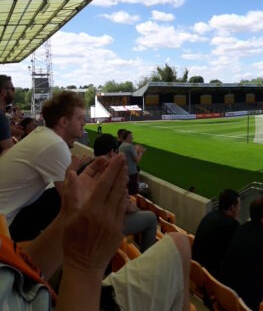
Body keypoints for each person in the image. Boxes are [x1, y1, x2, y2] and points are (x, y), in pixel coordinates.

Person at [0, 153, 191, 311]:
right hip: (76, 293)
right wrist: (85, 264)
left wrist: (69, 217)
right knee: (179, 244)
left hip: (42, 291)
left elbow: (18, 272)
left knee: (179, 244)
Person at [0, 91, 85, 241]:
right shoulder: (55, 144)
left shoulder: (42, 135)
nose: (83, 123)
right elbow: (73, 203)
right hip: (4, 228)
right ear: (63, 122)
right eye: (79, 118)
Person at [94, 133, 159, 251]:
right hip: (106, 225)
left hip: (93, 224)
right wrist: (135, 208)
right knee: (151, 218)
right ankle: (145, 257)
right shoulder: (111, 174)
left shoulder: (87, 169)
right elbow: (127, 207)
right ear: (112, 152)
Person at [192, 189, 240, 277]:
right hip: (211, 277)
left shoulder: (209, 216)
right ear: (233, 208)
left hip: (197, 271)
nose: (239, 209)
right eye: (238, 206)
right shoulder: (232, 224)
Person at [118, 130, 146, 195]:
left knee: (127, 193)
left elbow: (129, 158)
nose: (132, 138)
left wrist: (136, 150)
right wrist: (141, 152)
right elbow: (137, 160)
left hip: (125, 173)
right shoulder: (129, 146)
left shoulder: (121, 146)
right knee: (134, 193)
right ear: (127, 137)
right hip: (131, 174)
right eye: (131, 137)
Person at [0, 74, 15, 155]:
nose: (13, 93)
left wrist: (9, 131)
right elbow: (10, 152)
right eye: (12, 89)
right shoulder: (1, 118)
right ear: (3, 91)